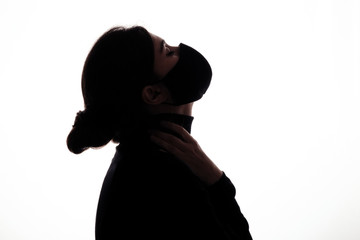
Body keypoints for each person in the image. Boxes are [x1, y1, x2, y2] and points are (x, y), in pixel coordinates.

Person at [67, 26, 252, 240]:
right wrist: (217, 181)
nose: (180, 49)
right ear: (154, 94)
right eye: (168, 51)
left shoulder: (140, 158)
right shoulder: (164, 172)